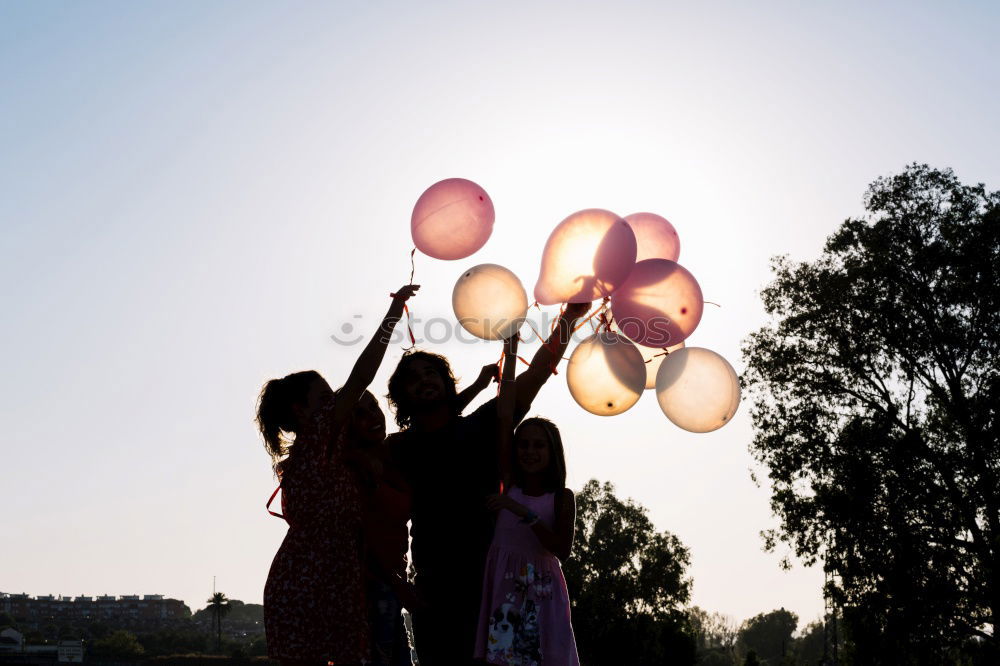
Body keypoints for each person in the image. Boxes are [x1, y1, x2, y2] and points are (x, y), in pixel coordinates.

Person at [385, 302, 590, 666]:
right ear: (402, 396)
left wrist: (570, 318)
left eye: (431, 372)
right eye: (414, 378)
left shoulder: (481, 427)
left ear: (447, 382)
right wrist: (398, 580)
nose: (425, 379)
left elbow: (537, 374)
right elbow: (378, 519)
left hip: (495, 584)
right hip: (434, 590)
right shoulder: (398, 448)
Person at [256, 284, 419, 666]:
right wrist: (393, 313)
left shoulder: (317, 453)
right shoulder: (318, 436)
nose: (337, 404)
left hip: (319, 579)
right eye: (326, 397)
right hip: (316, 582)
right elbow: (362, 374)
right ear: (301, 410)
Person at [355, 362, 499, 666]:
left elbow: (439, 419)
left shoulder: (400, 448)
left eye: (430, 373)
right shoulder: (380, 456)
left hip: (481, 582)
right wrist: (398, 585)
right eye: (359, 413)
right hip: (410, 591)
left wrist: (478, 385)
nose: (371, 416)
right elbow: (364, 535)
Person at [474, 334, 579, 665]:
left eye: (539, 445)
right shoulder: (511, 482)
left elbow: (561, 549)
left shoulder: (560, 498)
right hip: (505, 591)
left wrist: (522, 512)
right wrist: (511, 351)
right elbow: (505, 415)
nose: (530, 452)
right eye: (525, 445)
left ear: (552, 452)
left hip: (542, 594)